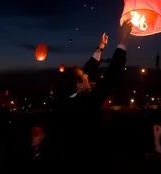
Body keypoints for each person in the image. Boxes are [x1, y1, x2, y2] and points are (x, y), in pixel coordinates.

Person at [55, 19, 133, 169]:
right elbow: (112, 76)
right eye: (86, 79)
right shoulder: (85, 103)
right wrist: (122, 40)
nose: (89, 80)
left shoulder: (65, 99)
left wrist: (100, 48)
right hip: (90, 160)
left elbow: (85, 71)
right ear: (79, 85)